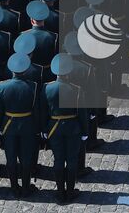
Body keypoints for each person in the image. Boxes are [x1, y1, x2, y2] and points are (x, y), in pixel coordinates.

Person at [45, 55, 88, 203]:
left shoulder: (47, 88)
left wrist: (44, 129)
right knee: (71, 160)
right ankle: (70, 191)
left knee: (58, 159)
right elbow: (83, 114)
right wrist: (85, 132)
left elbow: (43, 111)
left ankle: (59, 191)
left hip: (54, 128)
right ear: (68, 72)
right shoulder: (77, 89)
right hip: (72, 128)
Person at [0, 54, 39, 196]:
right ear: (25, 70)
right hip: (27, 125)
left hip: (9, 125)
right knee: (26, 158)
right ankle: (26, 187)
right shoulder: (33, 86)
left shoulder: (2, 85)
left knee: (11, 158)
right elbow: (36, 109)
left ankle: (14, 187)